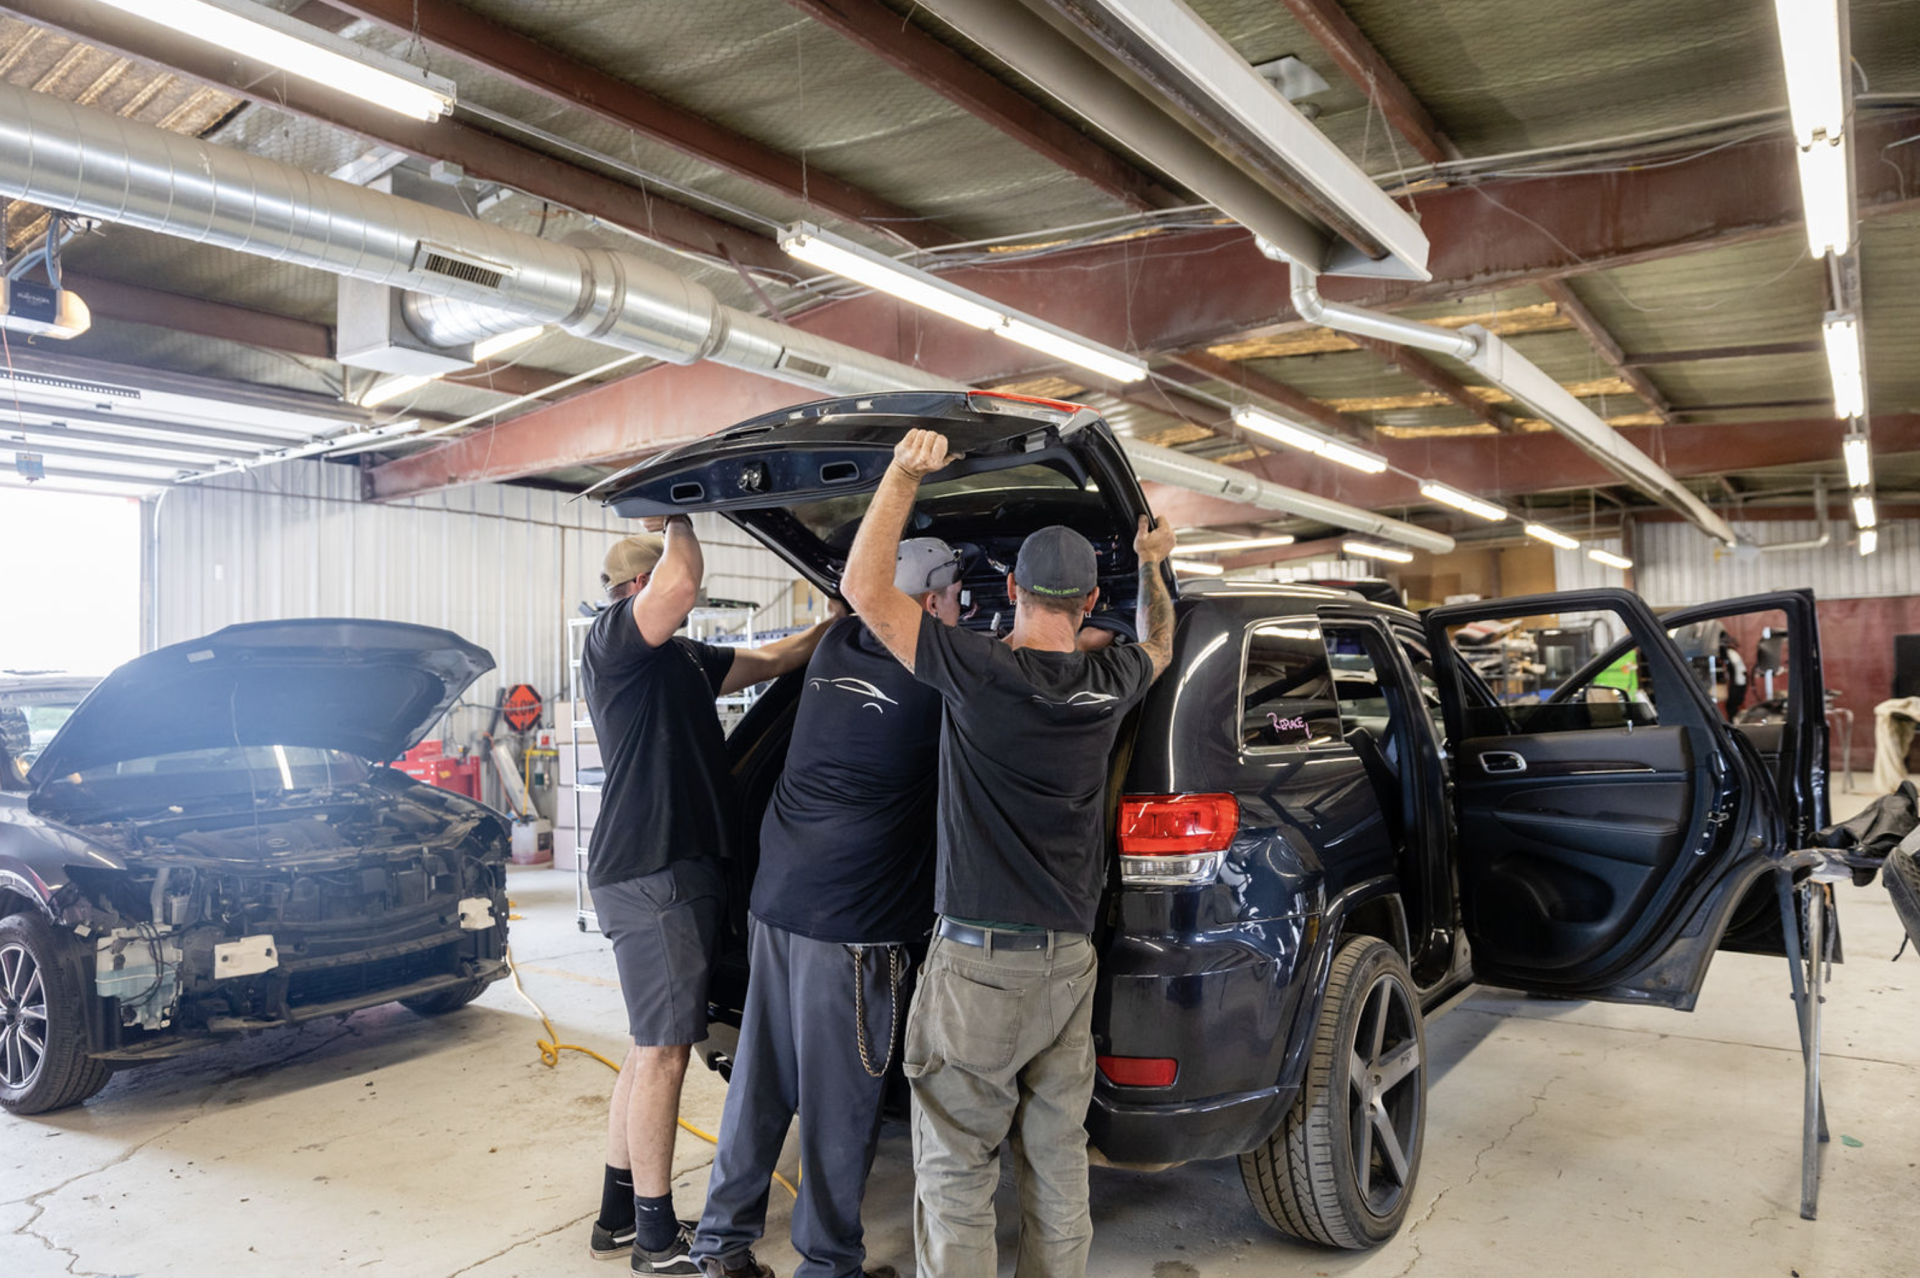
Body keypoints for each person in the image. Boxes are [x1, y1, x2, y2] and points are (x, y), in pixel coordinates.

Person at [840, 430, 1177, 1278]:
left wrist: (902, 472)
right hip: (1068, 966)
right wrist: (1155, 567)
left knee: (957, 1166)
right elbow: (1160, 643)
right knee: (1058, 1162)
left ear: (1015, 587)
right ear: (1092, 596)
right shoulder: (1111, 686)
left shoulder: (980, 670)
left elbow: (859, 588)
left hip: (980, 971)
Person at [692, 537, 965, 1278]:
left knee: (760, 1084)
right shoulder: (935, 677)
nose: (958, 609)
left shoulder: (837, 643)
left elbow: (856, 602)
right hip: (855, 926)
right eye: (953, 596)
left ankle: (719, 1244)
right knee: (841, 1106)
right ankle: (828, 1265)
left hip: (776, 904)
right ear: (935, 601)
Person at [582, 516, 835, 1275]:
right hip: (651, 869)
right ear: (637, 590)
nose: (686, 601)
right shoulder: (615, 643)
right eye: (661, 586)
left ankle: (620, 1216)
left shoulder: (686, 659)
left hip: (679, 869)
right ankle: (658, 1243)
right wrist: (682, 516)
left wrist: (846, 615)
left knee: (644, 1048)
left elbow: (777, 657)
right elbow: (683, 580)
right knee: (665, 1054)